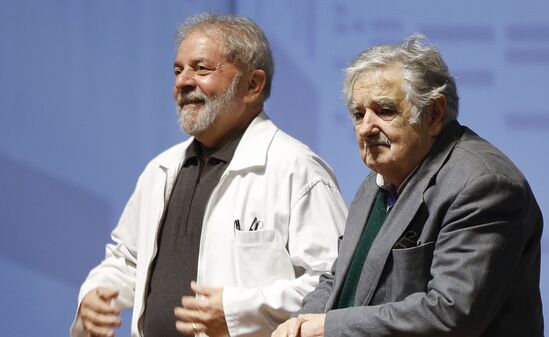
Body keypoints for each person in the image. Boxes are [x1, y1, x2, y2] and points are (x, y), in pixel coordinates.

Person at [71, 13, 348, 337]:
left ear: (252, 84)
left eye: (201, 69)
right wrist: (95, 293)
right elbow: (126, 258)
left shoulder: (297, 169)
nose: (183, 82)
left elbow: (335, 284)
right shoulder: (160, 170)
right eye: (178, 70)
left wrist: (236, 312)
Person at [273, 34, 544, 337]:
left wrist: (330, 328)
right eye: (358, 114)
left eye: (385, 111)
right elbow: (340, 278)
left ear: (434, 114)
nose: (365, 128)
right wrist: (297, 323)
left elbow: (451, 313)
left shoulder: (484, 185)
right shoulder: (376, 181)